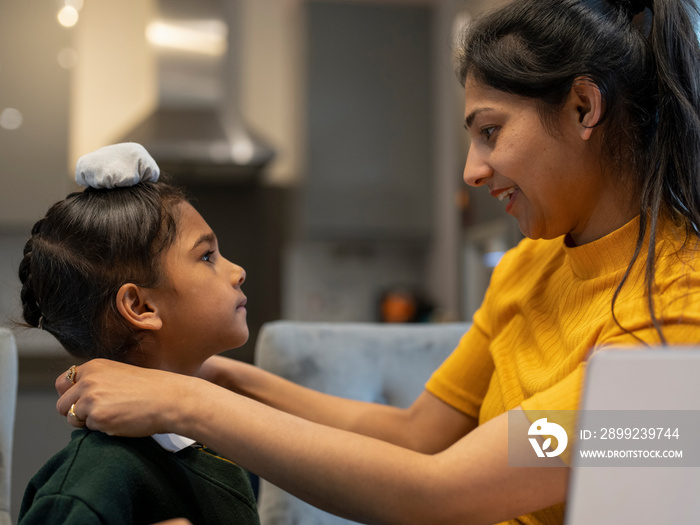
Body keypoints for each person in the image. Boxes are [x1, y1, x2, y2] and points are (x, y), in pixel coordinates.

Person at [54, 0, 700, 523]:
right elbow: (420, 433)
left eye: (490, 130)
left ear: (584, 106)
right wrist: (220, 375)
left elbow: (437, 490)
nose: (473, 170)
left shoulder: (680, 310)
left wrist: (186, 400)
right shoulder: (533, 263)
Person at [17, 143, 259, 524]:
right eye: (207, 256)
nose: (238, 270)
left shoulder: (202, 443)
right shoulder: (92, 481)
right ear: (141, 307)